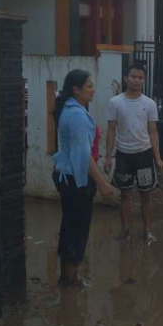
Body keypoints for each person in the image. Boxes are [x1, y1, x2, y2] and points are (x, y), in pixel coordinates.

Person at [52, 69, 113, 288]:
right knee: (77, 228)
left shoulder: (71, 109)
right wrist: (103, 183)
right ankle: (71, 278)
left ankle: (66, 275)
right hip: (76, 180)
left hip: (67, 177)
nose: (93, 90)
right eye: (89, 86)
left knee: (70, 225)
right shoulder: (77, 115)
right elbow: (83, 157)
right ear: (76, 90)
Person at [104, 62, 163, 241]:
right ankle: (125, 230)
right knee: (124, 195)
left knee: (145, 195)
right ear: (126, 78)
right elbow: (111, 130)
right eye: (133, 76)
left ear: (144, 80)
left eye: (140, 77)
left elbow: (153, 131)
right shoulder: (115, 102)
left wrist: (157, 158)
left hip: (144, 155)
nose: (136, 80)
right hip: (123, 155)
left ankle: (147, 230)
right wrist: (108, 156)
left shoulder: (149, 104)